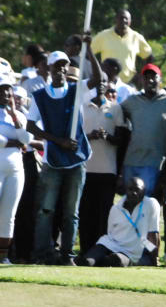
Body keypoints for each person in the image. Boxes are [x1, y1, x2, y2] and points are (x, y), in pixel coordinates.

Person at [27, 47, 102, 265]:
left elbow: (97, 79)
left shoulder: (76, 90)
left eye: (64, 65)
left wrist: (90, 52)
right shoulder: (40, 96)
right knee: (45, 210)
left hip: (76, 160)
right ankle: (42, 253)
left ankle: (67, 255)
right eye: (57, 65)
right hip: (53, 160)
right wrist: (57, 140)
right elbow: (31, 125)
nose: (61, 69)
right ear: (49, 68)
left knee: (71, 212)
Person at [78, 74, 127, 255]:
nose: (100, 85)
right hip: (86, 169)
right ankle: (85, 250)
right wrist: (89, 136)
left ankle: (101, 250)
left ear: (108, 85)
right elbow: (75, 137)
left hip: (107, 171)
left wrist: (108, 136)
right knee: (85, 211)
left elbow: (121, 140)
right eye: (97, 81)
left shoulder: (115, 108)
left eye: (104, 82)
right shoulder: (82, 106)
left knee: (104, 213)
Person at [121, 63, 166, 197]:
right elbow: (116, 114)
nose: (150, 80)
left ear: (160, 79)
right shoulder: (132, 101)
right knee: (129, 201)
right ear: (141, 80)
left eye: (153, 77)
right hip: (130, 160)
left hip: (154, 162)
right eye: (146, 77)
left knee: (145, 201)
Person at [80, 177, 159, 267]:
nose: (134, 193)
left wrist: (154, 259)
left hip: (130, 252)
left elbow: (153, 234)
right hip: (109, 244)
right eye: (130, 189)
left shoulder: (151, 204)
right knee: (87, 261)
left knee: (115, 260)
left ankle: (105, 260)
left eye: (137, 190)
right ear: (126, 191)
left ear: (144, 192)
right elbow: (110, 233)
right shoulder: (115, 208)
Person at [0, 75, 37, 263]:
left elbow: (27, 140)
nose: (6, 93)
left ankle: (3, 257)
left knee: (8, 214)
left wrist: (15, 116)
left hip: (15, 170)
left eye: (8, 89)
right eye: (2, 89)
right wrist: (11, 142)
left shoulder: (19, 115)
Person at [90, 8, 154, 83]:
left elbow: (149, 56)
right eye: (121, 18)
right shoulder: (103, 35)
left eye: (126, 19)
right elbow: (88, 53)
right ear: (115, 20)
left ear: (130, 21)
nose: (124, 21)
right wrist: (95, 71)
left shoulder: (136, 37)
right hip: (106, 81)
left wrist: (142, 75)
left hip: (128, 82)